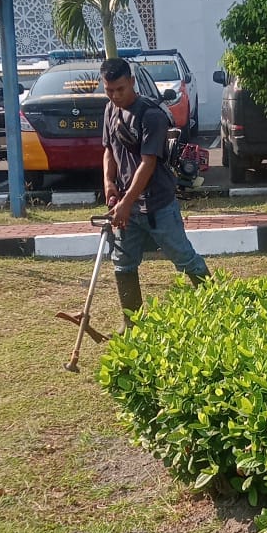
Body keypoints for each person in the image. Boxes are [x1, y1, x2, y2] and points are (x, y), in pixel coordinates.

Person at [61, 56, 208, 332]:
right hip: (125, 207)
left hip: (158, 205)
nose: (115, 96)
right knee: (123, 263)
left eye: (120, 89)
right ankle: (132, 324)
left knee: (184, 257)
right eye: (109, 90)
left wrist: (126, 203)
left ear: (131, 82)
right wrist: (109, 184)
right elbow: (109, 149)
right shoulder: (110, 110)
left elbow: (148, 163)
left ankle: (217, 308)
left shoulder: (151, 115)